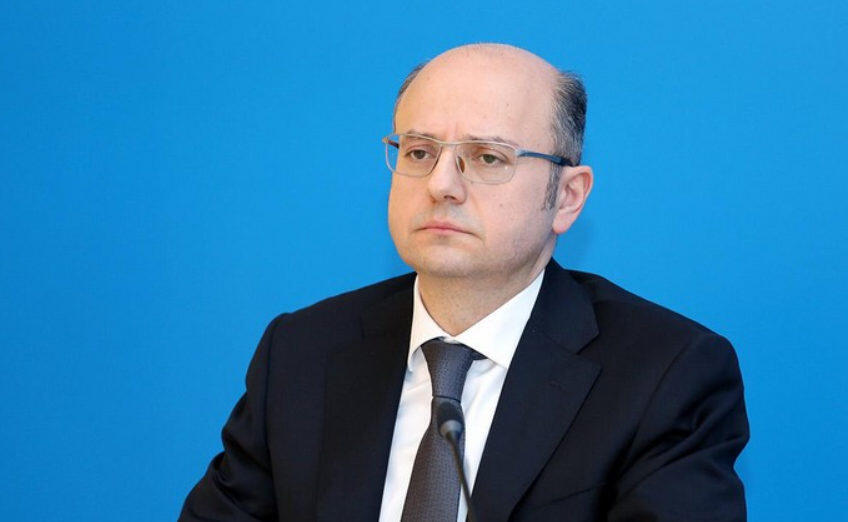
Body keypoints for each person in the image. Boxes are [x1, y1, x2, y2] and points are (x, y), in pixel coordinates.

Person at [179, 43, 749, 522]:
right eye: (419, 151)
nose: (441, 185)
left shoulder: (666, 374)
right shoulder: (302, 352)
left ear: (567, 197)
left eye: (487, 158)